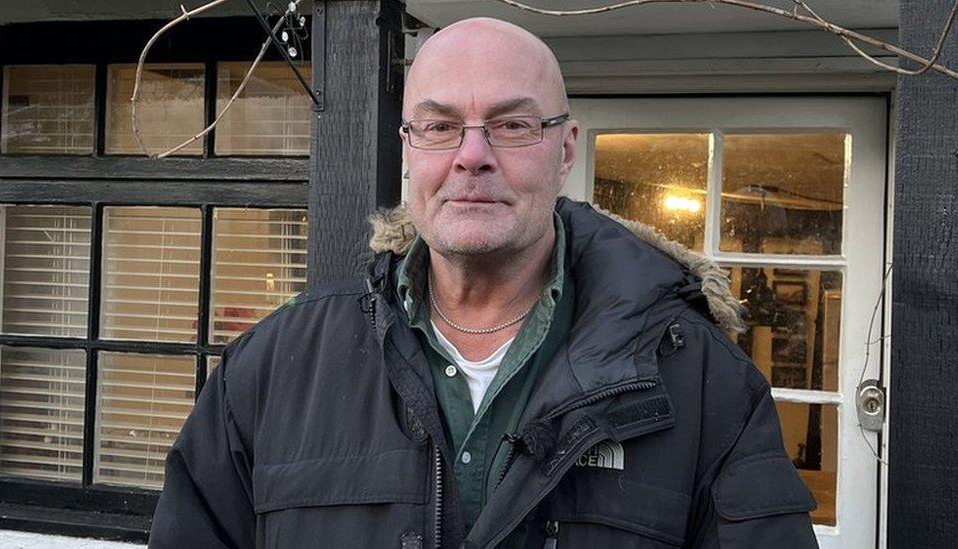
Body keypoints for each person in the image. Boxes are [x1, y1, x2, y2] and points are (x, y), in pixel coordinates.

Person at [150, 17, 818, 549]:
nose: (473, 155)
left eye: (511, 124)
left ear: (564, 150)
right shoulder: (271, 369)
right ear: (409, 146)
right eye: (441, 126)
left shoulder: (703, 382)